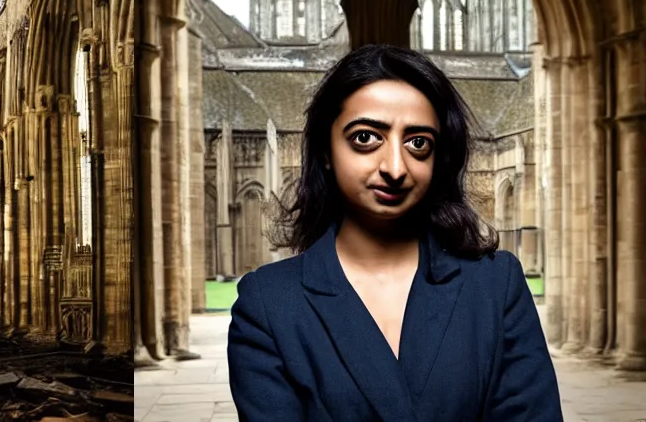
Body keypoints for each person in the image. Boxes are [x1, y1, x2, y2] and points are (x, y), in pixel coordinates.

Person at [228, 45, 562, 422]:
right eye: (366, 138)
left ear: (439, 159)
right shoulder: (268, 304)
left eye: (418, 143)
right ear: (325, 150)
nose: (395, 167)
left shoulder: (496, 285)